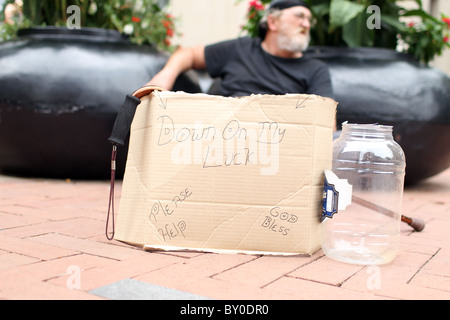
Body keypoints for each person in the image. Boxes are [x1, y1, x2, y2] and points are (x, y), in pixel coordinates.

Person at [146, 0, 333, 99]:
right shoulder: (240, 49)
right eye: (300, 16)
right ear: (273, 22)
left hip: (277, 148)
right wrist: (165, 77)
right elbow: (189, 54)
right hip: (220, 138)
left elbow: (325, 126)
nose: (306, 24)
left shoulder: (315, 70)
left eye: (309, 20)